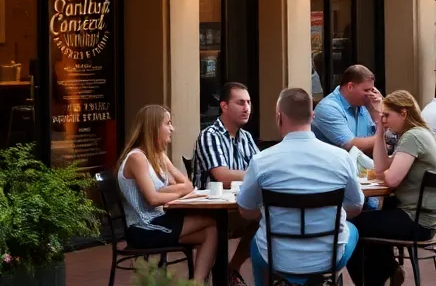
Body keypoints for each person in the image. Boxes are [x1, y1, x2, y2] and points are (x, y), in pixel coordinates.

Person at [237, 89, 362, 286]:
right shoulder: (342, 158)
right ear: (312, 116)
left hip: (277, 257)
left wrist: (271, 213)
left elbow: (245, 210)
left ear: (279, 117)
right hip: (329, 257)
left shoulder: (261, 161)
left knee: (256, 244)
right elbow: (356, 206)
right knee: (351, 229)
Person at [345, 90, 436, 286]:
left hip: (415, 220)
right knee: (372, 217)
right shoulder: (423, 133)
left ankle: (376, 278)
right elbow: (381, 168)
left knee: (351, 227)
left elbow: (391, 180)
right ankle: (388, 270)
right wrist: (379, 133)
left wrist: (386, 173)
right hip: (427, 218)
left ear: (403, 114)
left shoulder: (413, 137)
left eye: (386, 115)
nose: (383, 120)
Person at [118, 106, 218, 279]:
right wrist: (177, 193)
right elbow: (153, 198)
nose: (172, 128)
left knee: (212, 230)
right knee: (211, 222)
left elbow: (187, 185)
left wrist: (167, 192)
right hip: (144, 227)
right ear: (153, 128)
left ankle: (196, 283)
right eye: (168, 123)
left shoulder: (158, 156)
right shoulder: (137, 158)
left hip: (159, 220)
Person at [193, 82, 260, 281]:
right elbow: (222, 176)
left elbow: (261, 169)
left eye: (248, 102)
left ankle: (232, 269)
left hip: (237, 208)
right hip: (210, 212)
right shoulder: (209, 136)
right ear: (224, 106)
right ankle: (220, 277)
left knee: (269, 217)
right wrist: (254, 174)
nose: (247, 108)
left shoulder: (246, 137)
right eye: (240, 103)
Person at [313, 64, 382, 154]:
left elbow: (389, 137)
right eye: (366, 90)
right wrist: (383, 138)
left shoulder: (367, 104)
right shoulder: (328, 108)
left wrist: (377, 111)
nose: (370, 95)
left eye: (372, 90)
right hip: (335, 161)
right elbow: (351, 145)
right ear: (350, 87)